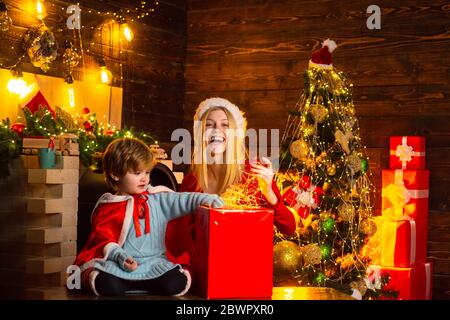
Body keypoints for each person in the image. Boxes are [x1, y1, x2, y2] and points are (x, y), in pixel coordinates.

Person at [73, 137, 224, 297]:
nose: (144, 178)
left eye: (147, 172)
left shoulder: (158, 198)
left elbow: (184, 200)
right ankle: (128, 282)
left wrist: (206, 199)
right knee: (107, 285)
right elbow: (103, 240)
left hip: (154, 263)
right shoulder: (109, 206)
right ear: (115, 174)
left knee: (175, 283)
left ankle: (145, 282)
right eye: (137, 173)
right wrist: (120, 256)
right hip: (121, 264)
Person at [166, 97, 296, 276]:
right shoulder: (191, 182)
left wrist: (268, 193)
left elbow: (289, 228)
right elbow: (178, 244)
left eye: (225, 125)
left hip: (246, 272)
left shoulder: (253, 174)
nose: (216, 131)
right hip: (203, 275)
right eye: (209, 125)